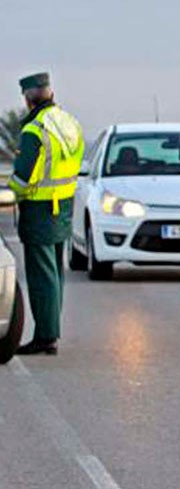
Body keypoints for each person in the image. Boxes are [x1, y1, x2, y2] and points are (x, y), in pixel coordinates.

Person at [7, 73, 84, 356]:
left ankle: (45, 336)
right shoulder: (68, 122)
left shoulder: (34, 130)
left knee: (42, 276)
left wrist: (9, 193)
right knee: (55, 273)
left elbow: (24, 178)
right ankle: (50, 331)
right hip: (62, 205)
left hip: (40, 208)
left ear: (27, 98)